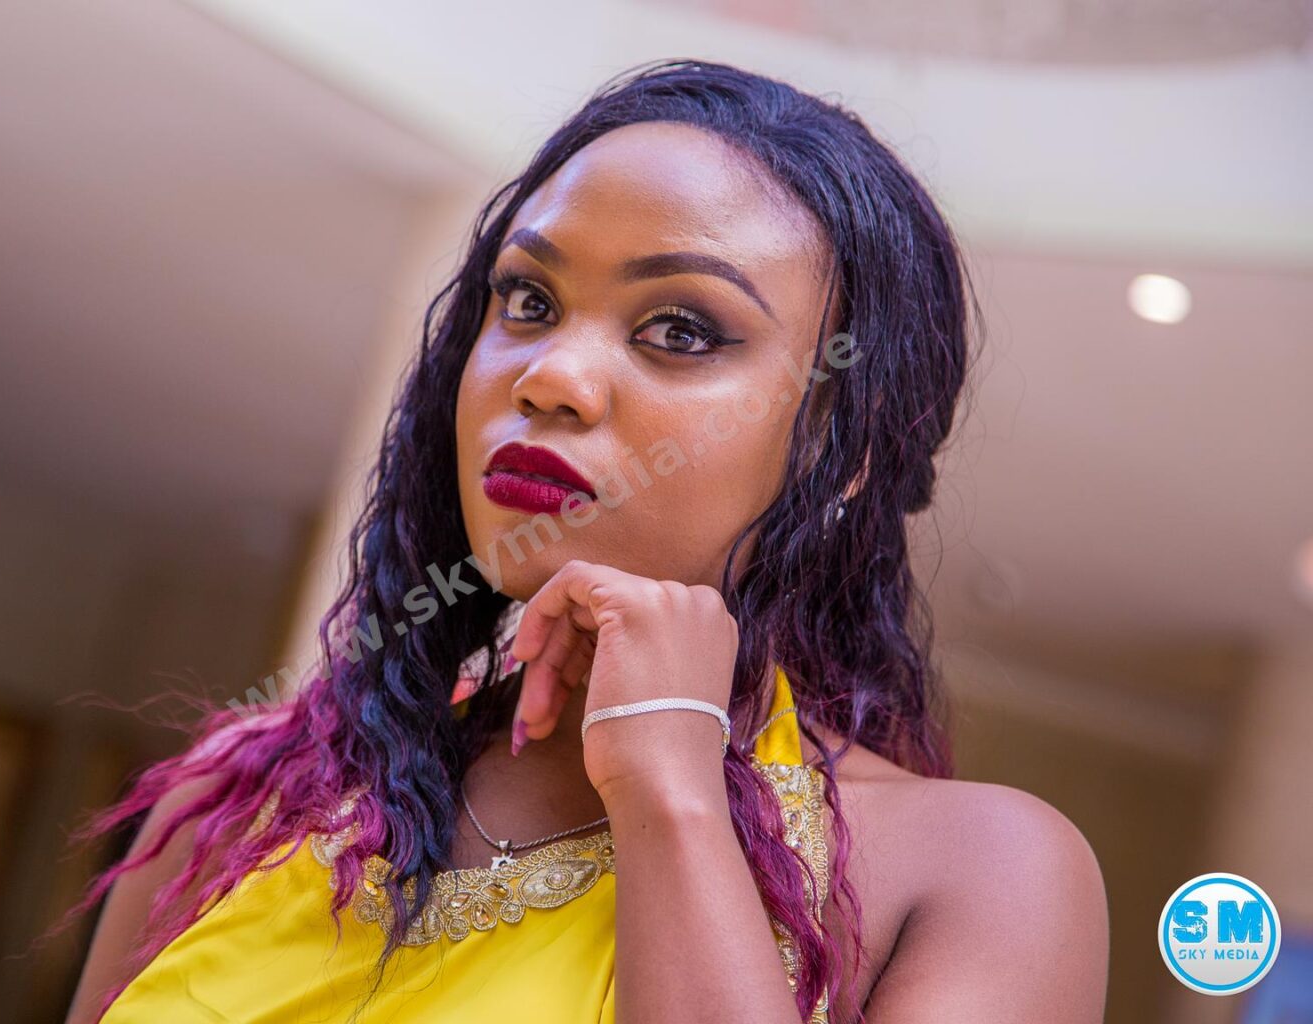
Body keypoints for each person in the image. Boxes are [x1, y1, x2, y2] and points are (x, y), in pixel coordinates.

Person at [64, 59, 1109, 1024]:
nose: (550, 376)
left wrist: (670, 789)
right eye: (528, 300)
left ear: (845, 451)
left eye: (681, 330)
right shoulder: (241, 801)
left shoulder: (981, 872)